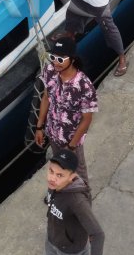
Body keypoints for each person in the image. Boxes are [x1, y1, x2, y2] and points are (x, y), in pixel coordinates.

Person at [33, 34, 98, 187]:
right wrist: (39, 127)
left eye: (61, 59)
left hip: (71, 139)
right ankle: (59, 191)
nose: (56, 63)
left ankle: (83, 199)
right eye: (53, 57)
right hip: (53, 133)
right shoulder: (50, 71)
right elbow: (46, 98)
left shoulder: (84, 86)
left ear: (72, 59)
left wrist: (71, 146)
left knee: (78, 172)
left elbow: (86, 119)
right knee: (58, 167)